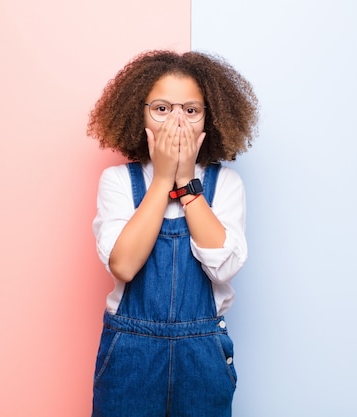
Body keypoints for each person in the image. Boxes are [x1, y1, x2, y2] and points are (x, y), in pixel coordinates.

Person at [87, 50, 258, 417]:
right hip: (131, 353)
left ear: (209, 119)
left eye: (190, 110)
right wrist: (163, 178)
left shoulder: (225, 184)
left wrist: (184, 181)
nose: (176, 121)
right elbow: (124, 265)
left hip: (202, 355)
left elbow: (224, 267)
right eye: (162, 109)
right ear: (140, 113)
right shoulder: (118, 181)